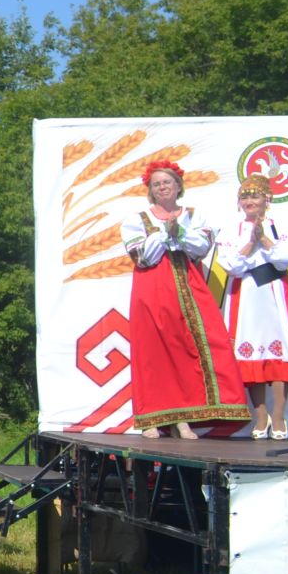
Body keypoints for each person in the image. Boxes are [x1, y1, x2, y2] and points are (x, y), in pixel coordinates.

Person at [120, 159, 251, 438]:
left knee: (188, 348)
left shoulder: (193, 216)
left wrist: (178, 231)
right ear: (150, 190)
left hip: (188, 286)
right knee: (152, 351)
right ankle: (149, 419)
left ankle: (183, 417)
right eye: (156, 184)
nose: (162, 187)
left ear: (178, 186)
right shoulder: (137, 220)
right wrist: (163, 235)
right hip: (152, 288)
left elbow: (200, 248)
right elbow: (142, 258)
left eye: (167, 182)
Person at [218, 173, 288, 439]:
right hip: (247, 294)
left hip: (275, 292)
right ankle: (260, 415)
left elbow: (286, 258)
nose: (249, 200)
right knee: (249, 354)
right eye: (245, 196)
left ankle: (279, 415)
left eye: (255, 195)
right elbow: (232, 265)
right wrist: (251, 242)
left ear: (267, 199)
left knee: (280, 352)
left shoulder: (281, 222)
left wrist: (266, 240)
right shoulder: (231, 227)